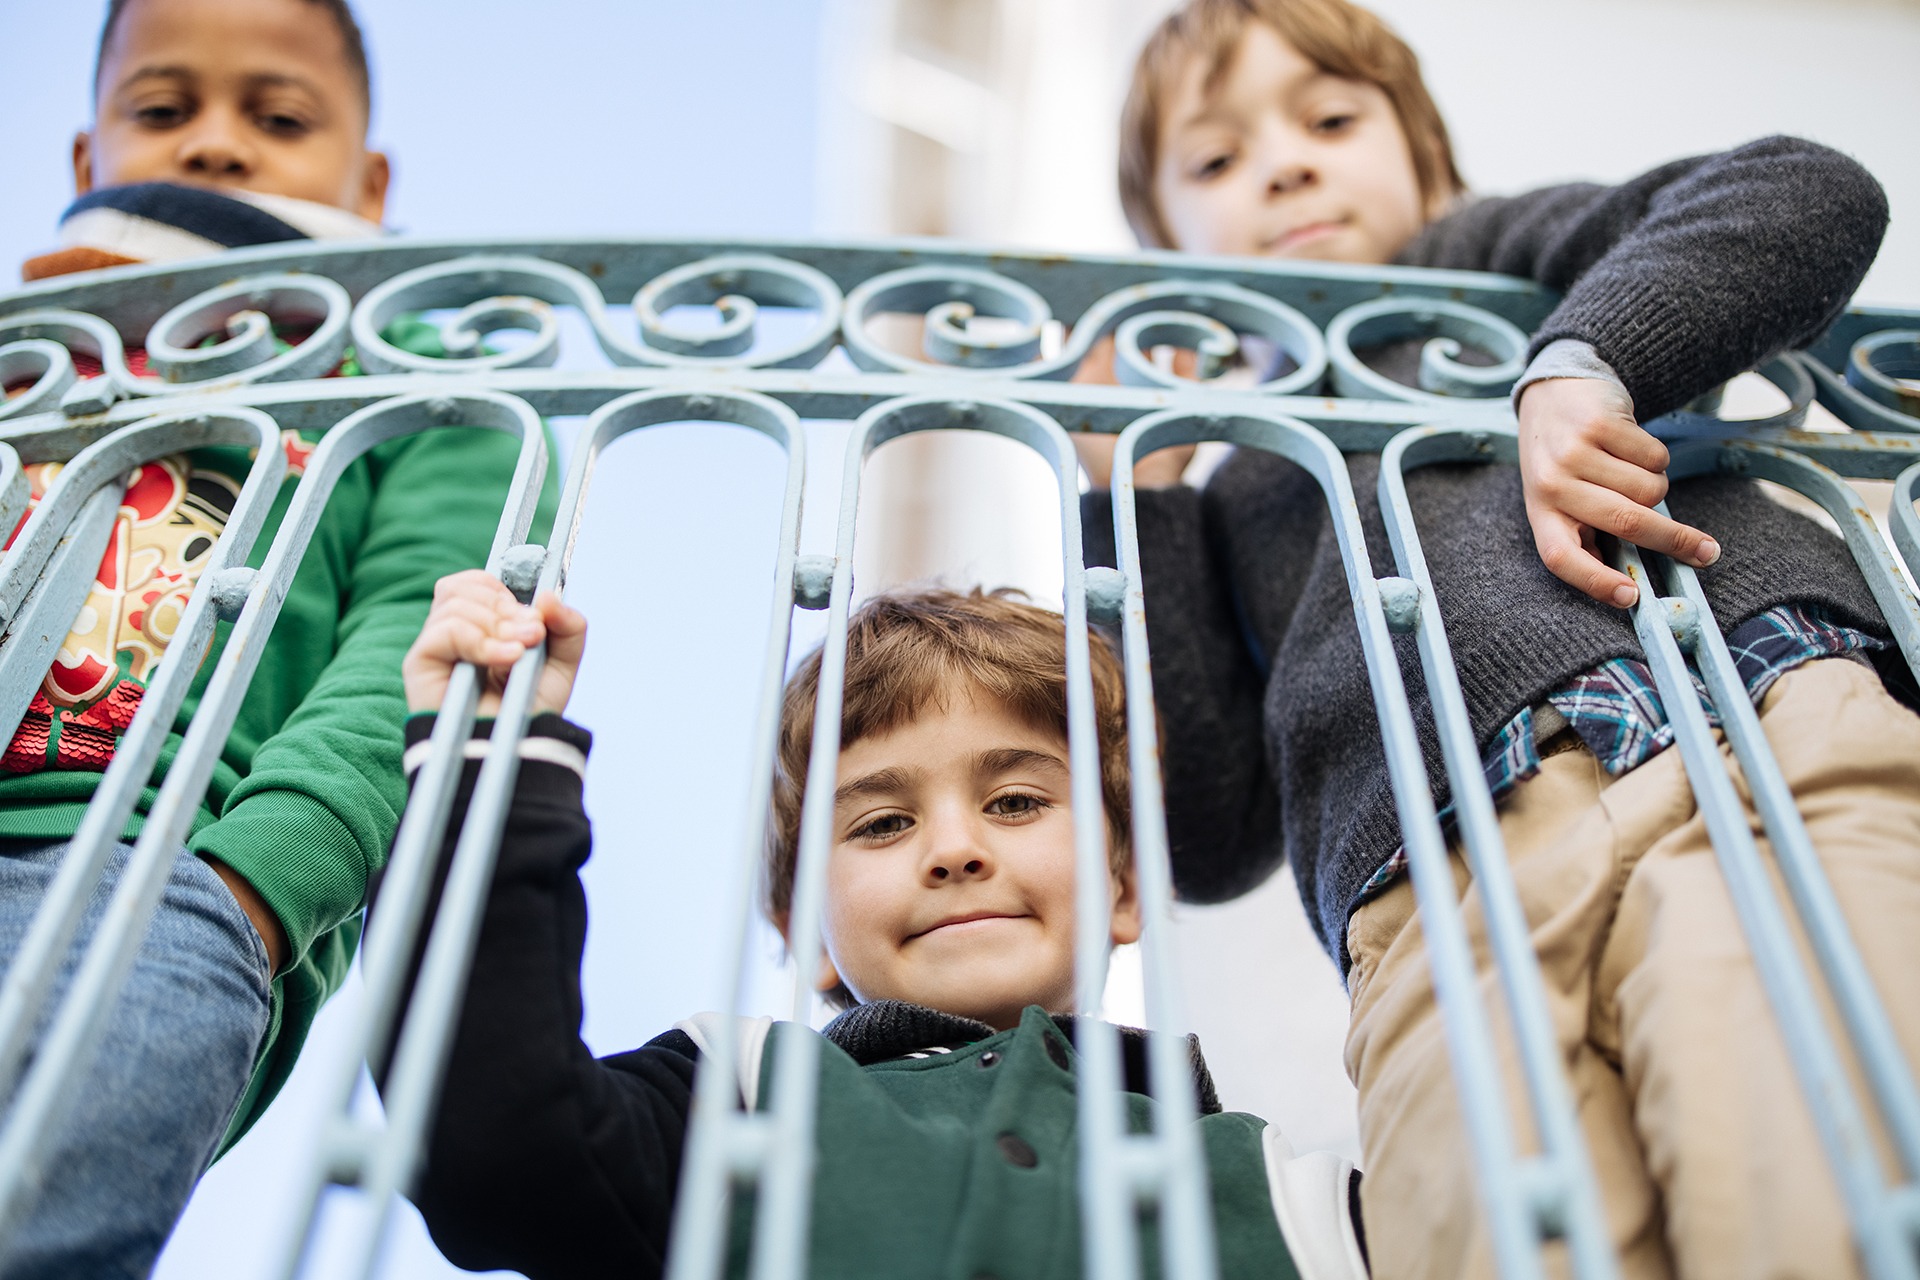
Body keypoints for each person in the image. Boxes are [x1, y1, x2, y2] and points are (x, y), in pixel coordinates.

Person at [1078, 2, 1920, 1277]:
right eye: (1215, 159)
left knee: (1828, 1176)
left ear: (1424, 151)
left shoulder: (1505, 262)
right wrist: (1125, 492)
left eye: (1331, 119)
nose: (1286, 164)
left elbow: (1810, 190)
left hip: (1740, 723)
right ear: (1165, 240)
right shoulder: (1218, 476)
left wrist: (1585, 360)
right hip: (1429, 896)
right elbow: (1202, 831)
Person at [0, 0, 555, 1273]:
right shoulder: (31, 356)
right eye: (161, 107)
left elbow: (411, 648)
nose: (214, 145)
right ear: (87, 162)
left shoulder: (431, 398)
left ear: (367, 179)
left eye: (278, 115)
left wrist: (248, 892)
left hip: (155, 877)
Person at [386, 572, 1370, 1280]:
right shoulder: (734, 1092)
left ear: (1121, 887)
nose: (952, 847)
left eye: (1018, 801)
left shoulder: (1293, 1187)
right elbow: (495, 1143)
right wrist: (488, 763)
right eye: (883, 822)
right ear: (804, 931)